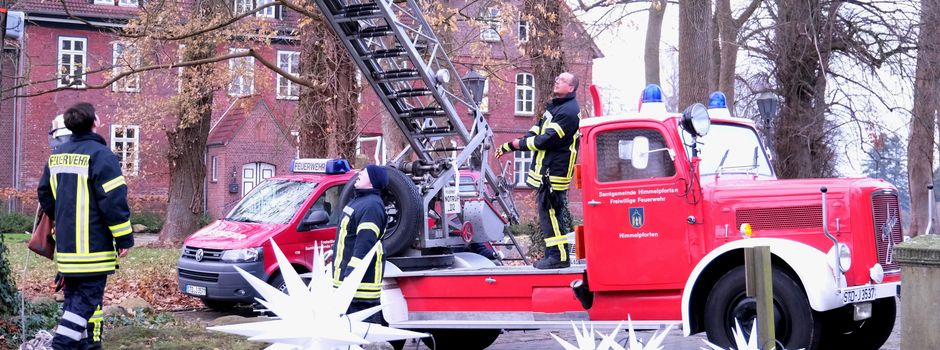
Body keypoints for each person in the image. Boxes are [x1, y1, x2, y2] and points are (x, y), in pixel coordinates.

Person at [37, 102, 134, 350]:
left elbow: (45, 195)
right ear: (95, 123)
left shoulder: (56, 157)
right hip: (94, 250)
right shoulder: (101, 156)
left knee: (75, 302)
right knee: (85, 303)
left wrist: (61, 218)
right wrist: (124, 239)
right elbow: (113, 201)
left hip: (68, 251)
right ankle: (60, 345)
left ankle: (89, 345)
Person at [495, 72, 581, 269]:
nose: (556, 80)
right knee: (548, 213)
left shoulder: (568, 112)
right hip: (547, 171)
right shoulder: (557, 106)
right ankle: (553, 254)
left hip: (555, 171)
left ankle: (559, 257)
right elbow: (538, 129)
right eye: (557, 78)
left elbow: (546, 140)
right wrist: (513, 144)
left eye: (562, 80)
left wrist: (517, 145)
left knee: (552, 213)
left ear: (571, 88)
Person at [333, 164, 389, 323]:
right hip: (349, 290)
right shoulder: (358, 201)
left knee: (361, 341)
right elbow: (349, 237)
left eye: (363, 173)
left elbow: (364, 246)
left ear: (372, 181)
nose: (358, 174)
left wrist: (350, 278)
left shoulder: (371, 206)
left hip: (360, 291)